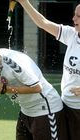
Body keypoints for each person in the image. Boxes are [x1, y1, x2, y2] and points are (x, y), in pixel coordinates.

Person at [0, 48, 68, 140]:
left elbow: (37, 88)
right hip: (26, 111)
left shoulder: (14, 65)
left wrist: (5, 89)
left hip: (46, 110)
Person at [16, 0, 80, 139]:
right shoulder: (71, 35)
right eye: (75, 14)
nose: (73, 18)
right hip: (64, 106)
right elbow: (43, 22)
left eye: (78, 16)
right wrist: (24, 2)